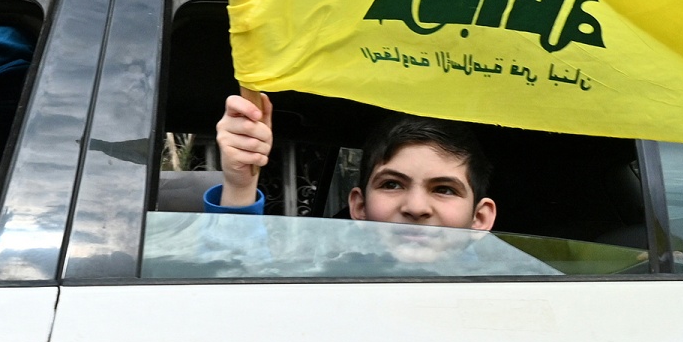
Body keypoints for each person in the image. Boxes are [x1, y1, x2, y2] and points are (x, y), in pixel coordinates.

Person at [208, 95, 497, 233]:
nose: (416, 207)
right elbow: (236, 285)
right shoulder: (319, 286)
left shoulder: (516, 301)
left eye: (444, 189)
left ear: (480, 218)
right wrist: (240, 186)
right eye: (392, 184)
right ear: (358, 205)